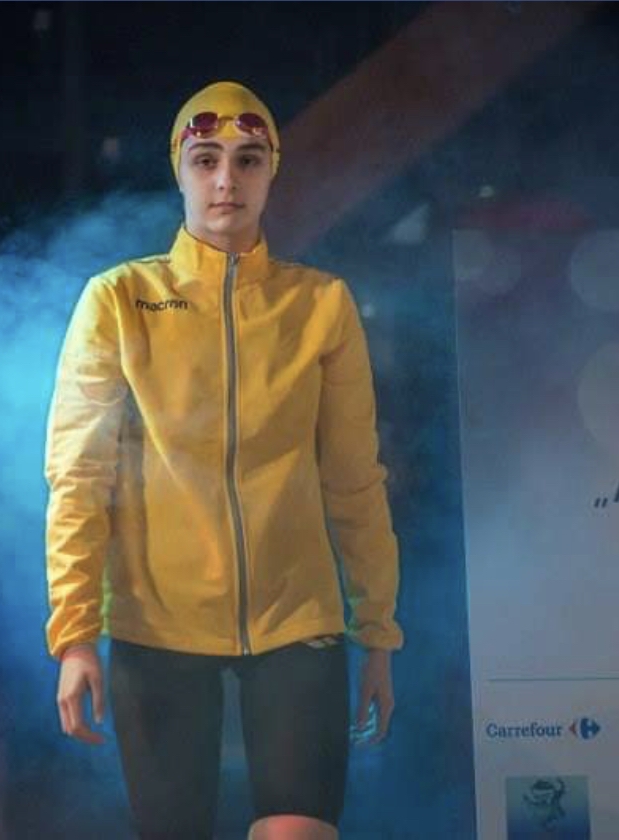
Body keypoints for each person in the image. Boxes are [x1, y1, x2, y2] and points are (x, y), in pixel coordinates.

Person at [45, 80, 403, 840]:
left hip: (298, 620)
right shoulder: (119, 298)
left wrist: (377, 630)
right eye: (205, 159)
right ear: (178, 169)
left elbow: (354, 479)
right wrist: (75, 633)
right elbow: (79, 476)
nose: (226, 180)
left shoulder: (321, 304)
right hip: (156, 625)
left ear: (273, 171)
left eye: (248, 160)